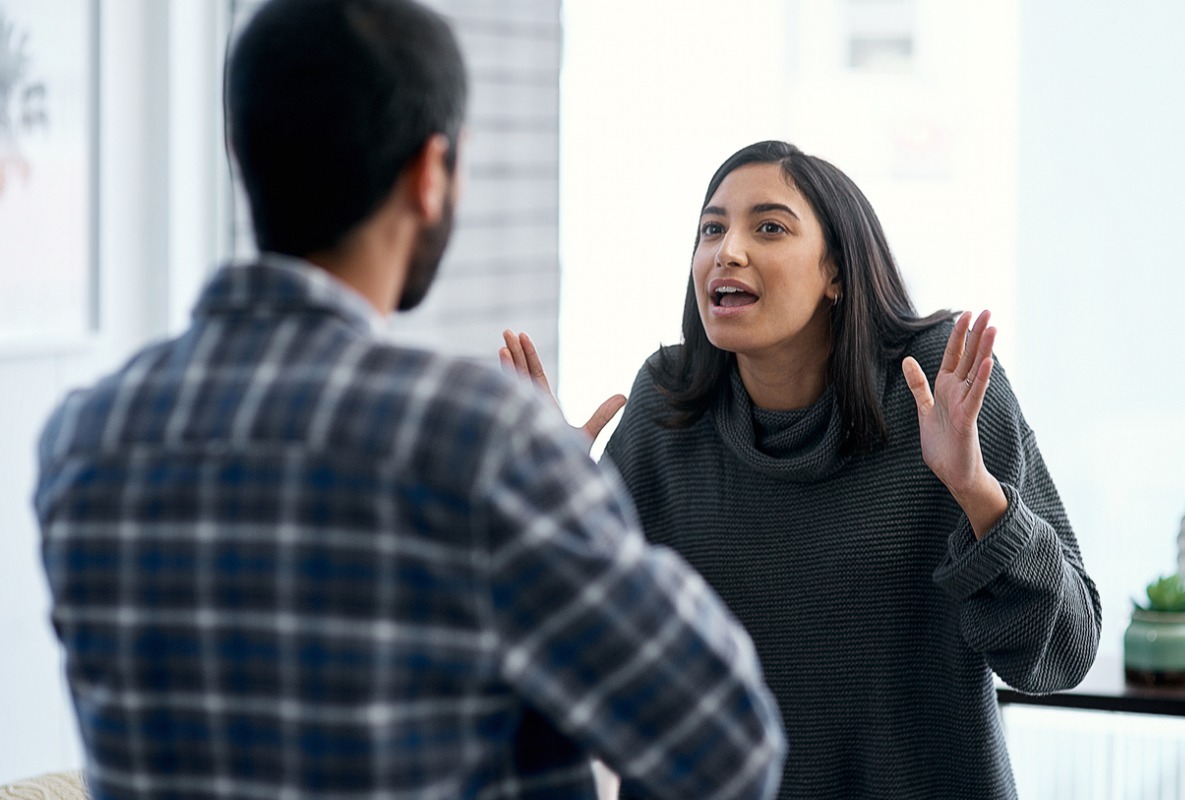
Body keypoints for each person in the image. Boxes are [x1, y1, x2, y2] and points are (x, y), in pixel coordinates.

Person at [32, 4, 787, 798]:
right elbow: (728, 747)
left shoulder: (82, 439)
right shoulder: (477, 442)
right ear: (430, 174)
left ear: (241, 153)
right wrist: (573, 494)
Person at [501, 139, 1102, 799]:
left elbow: (1063, 655)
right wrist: (555, 510)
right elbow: (589, 663)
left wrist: (974, 490)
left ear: (837, 272)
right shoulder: (668, 405)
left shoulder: (936, 384)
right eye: (711, 229)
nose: (727, 251)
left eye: (769, 227)